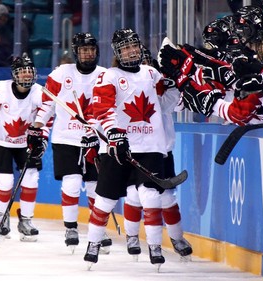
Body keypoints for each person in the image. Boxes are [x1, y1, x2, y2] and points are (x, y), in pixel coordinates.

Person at [83, 28, 173, 269]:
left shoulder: (152, 74)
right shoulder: (108, 76)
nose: (131, 51)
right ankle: (93, 243)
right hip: (117, 147)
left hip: (151, 145)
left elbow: (167, 105)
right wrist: (114, 132)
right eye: (125, 48)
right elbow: (103, 108)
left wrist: (174, 86)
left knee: (150, 195)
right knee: (105, 199)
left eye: (134, 45)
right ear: (117, 52)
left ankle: (154, 246)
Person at [33, 32, 112, 253]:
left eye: (91, 49)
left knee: (96, 187)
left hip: (95, 139)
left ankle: (98, 229)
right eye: (83, 49)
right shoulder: (60, 74)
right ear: (76, 52)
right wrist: (37, 129)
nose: (88, 53)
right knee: (71, 182)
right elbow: (47, 104)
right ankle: (71, 228)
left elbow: (110, 106)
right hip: (66, 138)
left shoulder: (106, 75)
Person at [0, 53, 48, 241]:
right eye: (22, 72)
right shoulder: (0, 89)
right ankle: (2, 218)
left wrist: (42, 137)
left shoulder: (40, 92)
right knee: (5, 181)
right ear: (14, 74)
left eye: (29, 71)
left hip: (26, 141)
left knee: (31, 178)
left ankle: (26, 220)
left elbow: (46, 118)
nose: (26, 75)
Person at [123, 47, 192, 262]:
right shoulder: (123, 85)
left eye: (147, 62)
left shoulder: (160, 87)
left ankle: (176, 238)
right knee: (134, 195)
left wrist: (174, 85)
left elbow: (173, 103)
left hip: (162, 150)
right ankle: (132, 237)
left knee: (167, 197)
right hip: (133, 149)